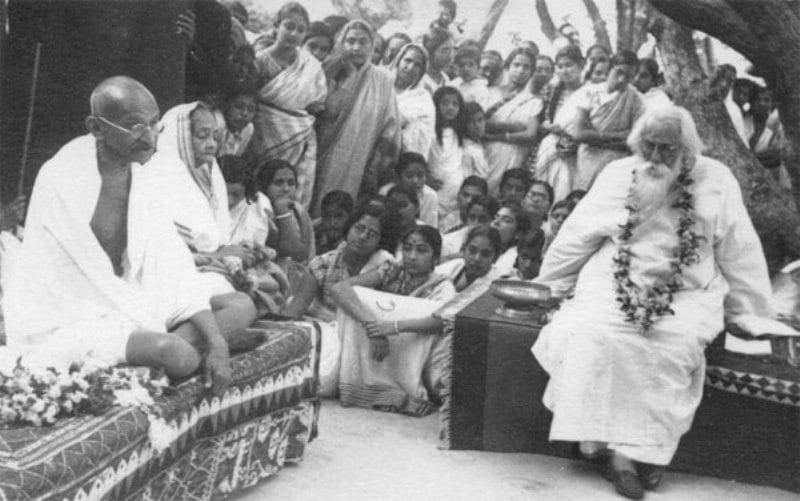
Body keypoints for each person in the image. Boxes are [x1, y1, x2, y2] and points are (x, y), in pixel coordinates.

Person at [531, 105, 797, 499]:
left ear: (687, 149)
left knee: (671, 345)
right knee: (592, 333)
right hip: (613, 280)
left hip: (688, 289)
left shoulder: (716, 179)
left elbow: (739, 249)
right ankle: (607, 451)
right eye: (649, 146)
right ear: (637, 143)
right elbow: (577, 235)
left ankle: (637, 453)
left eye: (667, 149)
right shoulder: (618, 174)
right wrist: (549, 285)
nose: (655, 157)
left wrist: (750, 312)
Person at [2, 77, 252, 391]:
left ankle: (163, 351)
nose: (149, 137)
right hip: (74, 313)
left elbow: (171, 264)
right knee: (177, 355)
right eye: (135, 126)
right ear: (96, 128)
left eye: (154, 124)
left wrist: (217, 343)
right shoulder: (64, 177)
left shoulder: (143, 174)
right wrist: (186, 333)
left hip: (133, 293)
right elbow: (63, 287)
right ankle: (169, 350)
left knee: (241, 305)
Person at [330, 225, 456, 416]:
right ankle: (365, 387)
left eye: (421, 250)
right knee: (358, 298)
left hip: (418, 354)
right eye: (407, 248)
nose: (412, 256)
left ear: (436, 257)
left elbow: (444, 321)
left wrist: (395, 327)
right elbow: (339, 289)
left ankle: (401, 391)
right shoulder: (392, 269)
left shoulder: (442, 286)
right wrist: (373, 327)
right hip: (379, 342)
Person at [283, 203, 398, 396]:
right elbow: (296, 310)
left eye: (372, 234)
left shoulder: (387, 264)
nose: (362, 237)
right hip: (327, 328)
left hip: (364, 333)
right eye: (359, 228)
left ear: (381, 240)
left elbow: (342, 290)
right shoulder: (322, 263)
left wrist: (373, 329)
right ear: (349, 228)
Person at [314, 20, 401, 215]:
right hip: (323, 156)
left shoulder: (382, 80)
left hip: (360, 163)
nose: (356, 47)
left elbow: (390, 128)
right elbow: (322, 112)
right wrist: (349, 77)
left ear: (372, 45)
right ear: (341, 43)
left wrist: (374, 167)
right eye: (350, 41)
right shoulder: (329, 72)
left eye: (363, 42)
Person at [250, 2, 327, 209]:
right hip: (262, 135)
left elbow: (317, 104)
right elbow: (251, 99)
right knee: (261, 187)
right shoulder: (259, 61)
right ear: (276, 26)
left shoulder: (310, 66)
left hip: (298, 140)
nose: (294, 34)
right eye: (289, 26)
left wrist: (297, 121)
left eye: (301, 30)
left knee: (288, 192)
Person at [572, 50, 645, 191]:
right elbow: (579, 134)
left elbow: (634, 141)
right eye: (619, 72)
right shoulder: (590, 93)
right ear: (610, 69)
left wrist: (593, 137)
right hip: (588, 160)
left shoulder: (636, 100)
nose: (622, 80)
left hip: (616, 163)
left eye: (629, 76)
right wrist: (619, 135)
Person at [483, 47, 542, 195]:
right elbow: (480, 124)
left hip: (513, 156)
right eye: (516, 65)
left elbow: (530, 135)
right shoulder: (489, 92)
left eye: (526, 67)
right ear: (508, 66)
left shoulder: (534, 101)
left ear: (531, 72)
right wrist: (515, 127)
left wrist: (496, 136)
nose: (520, 70)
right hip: (485, 151)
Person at [535, 45, 585, 204]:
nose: (565, 71)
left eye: (569, 65)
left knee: (564, 190)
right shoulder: (550, 91)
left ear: (581, 65)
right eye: (560, 66)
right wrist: (548, 127)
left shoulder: (589, 92)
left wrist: (575, 142)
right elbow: (539, 122)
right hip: (550, 146)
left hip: (574, 151)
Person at [255, 159, 316, 264]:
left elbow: (301, 254)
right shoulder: (257, 209)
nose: (286, 189)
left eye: (291, 183)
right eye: (278, 183)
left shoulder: (298, 211)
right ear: (265, 185)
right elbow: (287, 249)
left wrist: (283, 212)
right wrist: (282, 212)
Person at [392, 43, 437, 158]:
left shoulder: (422, 99)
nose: (411, 67)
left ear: (422, 72)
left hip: (404, 159)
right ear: (398, 61)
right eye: (408, 60)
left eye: (417, 65)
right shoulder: (383, 85)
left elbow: (395, 121)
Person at [429, 86, 467, 218]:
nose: (450, 108)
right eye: (445, 103)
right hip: (436, 187)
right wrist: (427, 178)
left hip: (455, 189)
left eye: (455, 104)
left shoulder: (459, 131)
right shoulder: (430, 130)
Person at [220, 154, 270, 246]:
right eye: (223, 194)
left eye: (236, 195)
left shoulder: (258, 204)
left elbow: (254, 244)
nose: (229, 201)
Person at [379, 151, 439, 228]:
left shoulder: (430, 195)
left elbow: (430, 228)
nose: (415, 181)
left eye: (420, 176)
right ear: (399, 176)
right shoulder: (386, 192)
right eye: (409, 176)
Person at [436, 224, 501, 292]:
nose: (477, 258)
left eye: (485, 254)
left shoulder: (495, 288)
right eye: (472, 251)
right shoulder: (455, 265)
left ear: (495, 258)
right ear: (464, 249)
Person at [490, 201, 530, 277]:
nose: (496, 222)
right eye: (496, 217)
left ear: (518, 234)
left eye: (506, 220)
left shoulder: (514, 259)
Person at [219, 82, 257, 157]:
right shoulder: (217, 124)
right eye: (238, 106)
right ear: (226, 105)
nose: (245, 113)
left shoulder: (248, 129)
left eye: (251, 109)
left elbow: (234, 159)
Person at [450, 43, 493, 108]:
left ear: (478, 68)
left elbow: (480, 110)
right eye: (461, 65)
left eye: (471, 65)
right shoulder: (454, 83)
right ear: (456, 67)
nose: (466, 69)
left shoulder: (481, 90)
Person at [314, 190, 354, 255]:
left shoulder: (355, 245)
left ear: (350, 217)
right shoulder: (313, 236)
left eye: (339, 216)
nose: (332, 223)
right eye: (327, 216)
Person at [421, 26, 454, 94]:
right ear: (429, 52)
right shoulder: (421, 80)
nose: (450, 56)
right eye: (445, 50)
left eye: (452, 50)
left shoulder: (444, 77)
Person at [460, 101, 490, 178]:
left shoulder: (478, 143)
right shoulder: (467, 151)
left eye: (480, 120)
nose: (477, 125)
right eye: (470, 122)